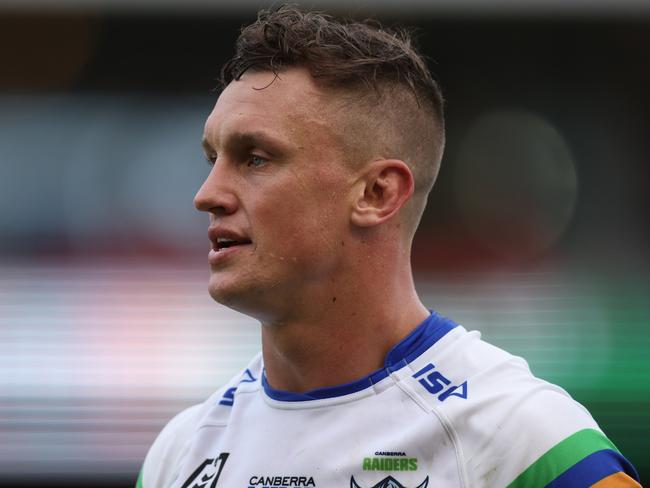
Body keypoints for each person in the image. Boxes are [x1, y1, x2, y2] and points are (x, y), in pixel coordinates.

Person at [136, 6, 641, 488]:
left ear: (378, 193)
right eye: (213, 159)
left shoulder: (522, 442)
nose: (207, 196)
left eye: (256, 159)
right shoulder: (181, 451)